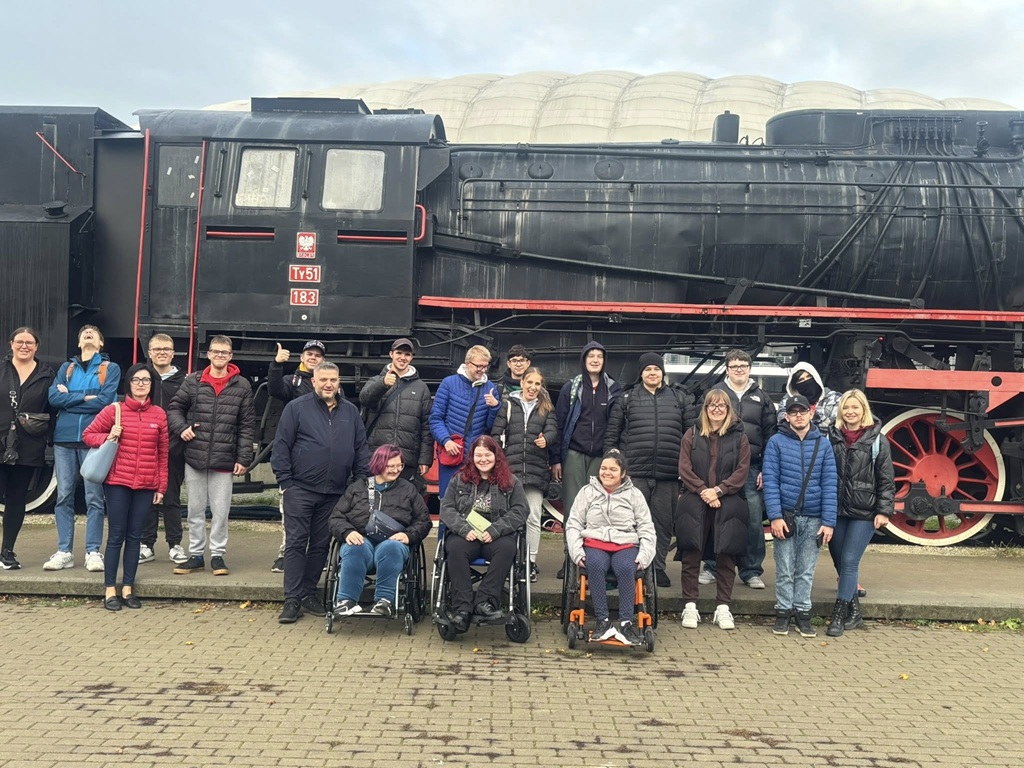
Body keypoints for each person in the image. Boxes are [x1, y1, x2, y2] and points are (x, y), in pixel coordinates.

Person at [272, 361, 369, 624]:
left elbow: (361, 450)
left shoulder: (350, 412)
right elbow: (281, 447)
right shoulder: (296, 408)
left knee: (320, 546)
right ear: (313, 381)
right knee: (295, 544)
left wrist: (358, 485)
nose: (329, 384)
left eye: (333, 380)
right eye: (323, 379)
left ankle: (308, 593)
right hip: (300, 489)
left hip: (336, 493)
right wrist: (286, 483)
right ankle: (291, 599)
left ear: (339, 382)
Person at [604, 352, 695, 588]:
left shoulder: (679, 398)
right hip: (635, 473)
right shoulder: (626, 398)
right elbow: (612, 437)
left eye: (656, 369)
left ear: (662, 372)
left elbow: (691, 437)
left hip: (668, 473)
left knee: (662, 524)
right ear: (641, 373)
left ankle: (657, 568)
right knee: (629, 522)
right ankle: (628, 567)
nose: (652, 373)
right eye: (648, 369)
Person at [167, 336, 255, 577]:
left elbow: (247, 425)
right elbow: (174, 408)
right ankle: (196, 555)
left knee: (221, 511)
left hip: (225, 459)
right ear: (209, 354)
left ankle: (217, 555)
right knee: (195, 510)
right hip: (195, 456)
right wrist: (181, 427)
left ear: (230, 356)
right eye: (215, 352)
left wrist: (244, 458)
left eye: (224, 352)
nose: (219, 356)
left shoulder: (242, 385)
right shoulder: (193, 381)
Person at [83, 364, 168, 611]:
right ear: (128, 384)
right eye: (136, 380)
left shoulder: (159, 415)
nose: (141, 384)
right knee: (116, 535)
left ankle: (128, 587)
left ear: (152, 385)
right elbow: (88, 435)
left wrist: (160, 486)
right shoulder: (114, 411)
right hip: (118, 482)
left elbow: (163, 453)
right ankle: (110, 589)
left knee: (135, 536)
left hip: (145, 483)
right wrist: (108, 436)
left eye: (146, 380)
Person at [45, 325, 122, 572]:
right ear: (79, 343)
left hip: (94, 441)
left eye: (93, 332)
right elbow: (53, 399)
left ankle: (92, 551)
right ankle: (64, 551)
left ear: (100, 343)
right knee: (64, 496)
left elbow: (105, 402)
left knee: (94, 499)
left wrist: (72, 398)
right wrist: (86, 397)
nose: (88, 333)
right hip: (64, 440)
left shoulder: (110, 369)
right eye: (83, 332)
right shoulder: (65, 369)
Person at [763, 394, 837, 638]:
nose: (798, 415)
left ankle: (803, 612)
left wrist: (828, 522)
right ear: (786, 416)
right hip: (786, 515)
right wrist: (774, 516)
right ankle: (783, 611)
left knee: (806, 569)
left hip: (815, 517)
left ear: (811, 413)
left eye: (802, 411)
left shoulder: (823, 444)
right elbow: (771, 480)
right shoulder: (775, 442)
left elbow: (829, 484)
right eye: (793, 412)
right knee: (784, 567)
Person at [701, 349, 776, 590]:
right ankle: (712, 565)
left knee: (753, 519)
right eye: (734, 366)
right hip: (720, 465)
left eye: (743, 365)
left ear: (750, 368)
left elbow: (770, 435)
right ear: (727, 369)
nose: (739, 369)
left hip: (752, 467)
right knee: (716, 517)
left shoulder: (761, 397)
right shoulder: (715, 394)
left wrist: (766, 468)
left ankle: (751, 570)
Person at [677, 389, 751, 631]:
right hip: (696, 499)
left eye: (722, 406)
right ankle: (689, 605)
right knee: (691, 554)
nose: (717, 409)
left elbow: (742, 471)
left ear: (728, 409)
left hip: (727, 499)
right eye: (712, 405)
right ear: (705, 408)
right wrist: (704, 491)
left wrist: (719, 490)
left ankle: (723, 607)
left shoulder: (740, 437)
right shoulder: (692, 433)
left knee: (726, 555)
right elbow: (685, 468)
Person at [328, 444, 431, 618]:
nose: (396, 470)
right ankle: (345, 601)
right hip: (362, 539)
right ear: (378, 464)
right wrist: (347, 532)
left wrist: (408, 535)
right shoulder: (357, 488)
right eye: (391, 466)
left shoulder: (408, 489)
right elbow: (335, 518)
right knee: (354, 547)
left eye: (399, 465)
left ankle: (384, 601)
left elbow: (424, 521)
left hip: (393, 542)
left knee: (391, 547)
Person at [565, 449, 656, 645]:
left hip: (625, 544)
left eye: (613, 469)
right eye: (603, 468)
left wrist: (644, 556)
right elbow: (573, 524)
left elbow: (647, 527)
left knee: (626, 568)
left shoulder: (634, 495)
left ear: (623, 473)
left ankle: (625, 623)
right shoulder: (587, 492)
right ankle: (603, 622)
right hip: (594, 542)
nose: (607, 472)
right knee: (594, 565)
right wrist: (577, 553)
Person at [439, 435, 528, 632]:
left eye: (487, 454)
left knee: (508, 548)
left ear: (496, 456)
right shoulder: (459, 480)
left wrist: (495, 530)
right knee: (454, 548)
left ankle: (484, 601)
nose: (483, 459)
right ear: (472, 457)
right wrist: (464, 529)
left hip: (496, 535)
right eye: (478, 455)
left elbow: (520, 511)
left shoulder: (511, 483)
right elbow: (447, 509)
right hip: (467, 535)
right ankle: (462, 608)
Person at [825, 389, 894, 636]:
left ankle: (839, 615)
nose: (850, 412)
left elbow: (886, 479)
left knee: (850, 560)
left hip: (864, 511)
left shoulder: (877, 440)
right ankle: (855, 614)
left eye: (855, 407)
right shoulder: (831, 438)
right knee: (840, 561)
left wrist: (884, 511)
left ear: (863, 410)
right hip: (836, 509)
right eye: (846, 408)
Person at [554, 342, 622, 577]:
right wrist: (556, 459)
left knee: (598, 510)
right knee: (573, 509)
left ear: (604, 361)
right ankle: (570, 558)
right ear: (583, 360)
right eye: (590, 356)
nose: (595, 359)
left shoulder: (614, 388)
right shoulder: (570, 388)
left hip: (601, 457)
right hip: (574, 452)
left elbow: (617, 424)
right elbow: (560, 423)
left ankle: (595, 559)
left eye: (599, 356)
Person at [491, 366, 558, 582]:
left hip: (536, 470)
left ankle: (529, 561)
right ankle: (509, 559)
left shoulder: (546, 407)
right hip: (511, 469)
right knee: (508, 516)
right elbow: (496, 432)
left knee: (533, 516)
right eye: (529, 383)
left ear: (541, 386)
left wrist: (546, 439)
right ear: (522, 383)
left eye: (537, 384)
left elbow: (553, 429)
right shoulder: (509, 405)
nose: (533, 387)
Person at [267, 339, 325, 572]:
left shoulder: (329, 385)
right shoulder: (291, 380)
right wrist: (276, 365)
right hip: (297, 454)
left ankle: (313, 556)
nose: (313, 357)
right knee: (290, 514)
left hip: (320, 457)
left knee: (318, 516)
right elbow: (274, 390)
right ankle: (286, 553)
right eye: (309, 354)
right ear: (302, 357)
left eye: (317, 355)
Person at [0, 327, 55, 570]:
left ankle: (7, 551)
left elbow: (52, 409)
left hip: (28, 445)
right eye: (20, 342)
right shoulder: (1, 370)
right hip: (0, 439)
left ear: (36, 346)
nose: (24, 346)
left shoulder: (46, 374)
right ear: (11, 344)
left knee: (16, 498)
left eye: (29, 342)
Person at [140, 333, 188, 566]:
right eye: (157, 348)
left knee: (171, 497)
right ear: (149, 352)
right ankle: (146, 545)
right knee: (147, 497)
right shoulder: (141, 378)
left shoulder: (184, 381)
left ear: (173, 352)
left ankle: (175, 544)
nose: (162, 352)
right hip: (145, 447)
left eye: (166, 348)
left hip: (173, 446)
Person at [359, 338, 432, 487]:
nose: (402, 358)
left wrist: (425, 459)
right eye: (399, 353)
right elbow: (364, 399)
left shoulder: (421, 387)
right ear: (391, 354)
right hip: (377, 454)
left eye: (407, 354)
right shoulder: (376, 380)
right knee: (373, 501)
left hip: (405, 459)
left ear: (411, 358)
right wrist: (383, 384)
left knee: (401, 504)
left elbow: (426, 426)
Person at [430, 345, 501, 497]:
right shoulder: (448, 383)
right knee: (447, 499)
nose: (482, 370)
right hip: (452, 453)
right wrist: (446, 440)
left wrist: (495, 407)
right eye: (478, 366)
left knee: (474, 502)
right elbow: (436, 418)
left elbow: (489, 427)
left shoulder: (490, 388)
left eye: (485, 366)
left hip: (476, 457)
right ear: (467, 363)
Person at [777, 362, 840, 431]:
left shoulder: (834, 398)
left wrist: (799, 421)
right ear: (795, 384)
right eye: (801, 380)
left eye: (809, 377)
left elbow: (836, 424)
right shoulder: (787, 401)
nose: (806, 381)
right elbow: (782, 421)